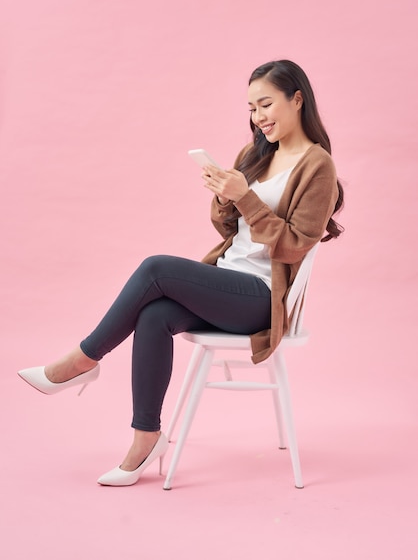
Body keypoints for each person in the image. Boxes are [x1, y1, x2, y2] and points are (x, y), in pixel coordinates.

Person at [18, 59, 344, 487]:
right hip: (228, 282)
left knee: (155, 267)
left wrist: (244, 198)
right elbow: (232, 228)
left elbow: (296, 243)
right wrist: (224, 196)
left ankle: (83, 359)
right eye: (250, 108)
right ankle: (146, 438)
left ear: (297, 99)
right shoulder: (255, 155)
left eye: (265, 104)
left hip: (263, 299)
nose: (258, 117)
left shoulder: (318, 165)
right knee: (154, 316)